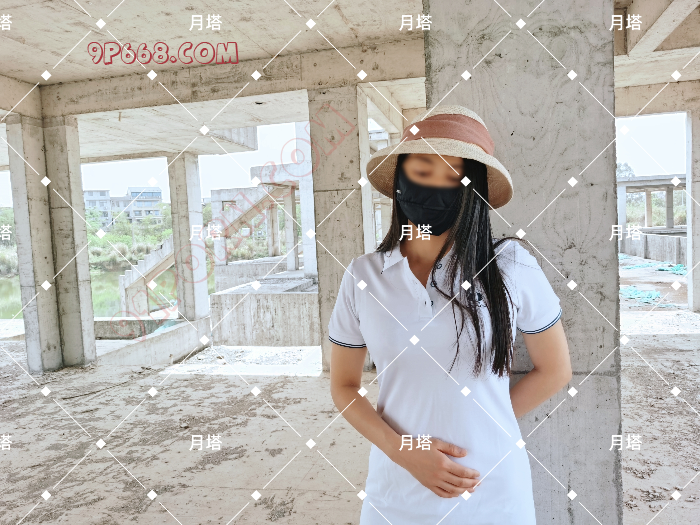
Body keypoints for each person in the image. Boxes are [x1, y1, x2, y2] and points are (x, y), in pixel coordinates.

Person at [328, 105, 572, 524]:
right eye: (423, 170)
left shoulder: (511, 266)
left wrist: (484, 423)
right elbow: (344, 386)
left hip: (493, 491)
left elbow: (555, 370)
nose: (434, 187)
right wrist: (405, 451)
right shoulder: (363, 275)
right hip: (396, 493)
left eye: (452, 177)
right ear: (399, 179)